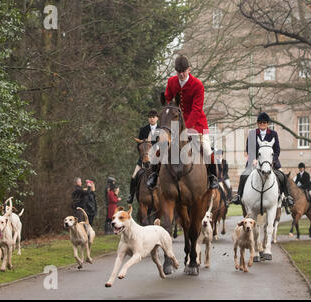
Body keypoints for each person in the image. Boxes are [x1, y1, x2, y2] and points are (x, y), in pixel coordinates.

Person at [146, 55, 218, 190]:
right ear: (176, 71)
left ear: (189, 69)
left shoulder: (198, 85)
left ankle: (212, 176)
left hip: (197, 124)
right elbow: (168, 100)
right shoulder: (172, 82)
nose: (181, 74)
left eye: (184, 71)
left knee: (207, 149)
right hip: (175, 122)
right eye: (179, 71)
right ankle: (155, 174)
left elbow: (197, 110)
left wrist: (186, 128)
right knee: (162, 145)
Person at [231, 112, 293, 206]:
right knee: (244, 175)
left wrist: (273, 160)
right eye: (260, 123)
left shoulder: (273, 134)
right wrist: (253, 159)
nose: (262, 124)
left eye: (264, 123)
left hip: (271, 161)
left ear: (267, 123)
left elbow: (277, 149)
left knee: (282, 176)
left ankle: (287, 197)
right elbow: (249, 149)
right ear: (258, 124)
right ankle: (239, 195)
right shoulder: (252, 133)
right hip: (254, 161)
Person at [126, 109, 160, 204]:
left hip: (157, 158)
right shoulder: (143, 129)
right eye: (150, 117)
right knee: (134, 175)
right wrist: (143, 148)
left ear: (157, 118)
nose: (152, 119)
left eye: (153, 117)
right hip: (144, 157)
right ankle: (131, 195)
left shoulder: (161, 130)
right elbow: (138, 145)